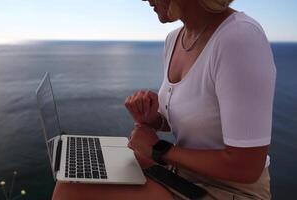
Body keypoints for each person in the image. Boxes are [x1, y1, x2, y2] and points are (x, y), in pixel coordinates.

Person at [52, 0, 276, 199]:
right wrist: (156, 120)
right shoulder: (174, 39)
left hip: (229, 191)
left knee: (71, 191)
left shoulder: (239, 38)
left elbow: (246, 167)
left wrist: (159, 149)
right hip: (183, 175)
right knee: (80, 175)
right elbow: (200, 120)